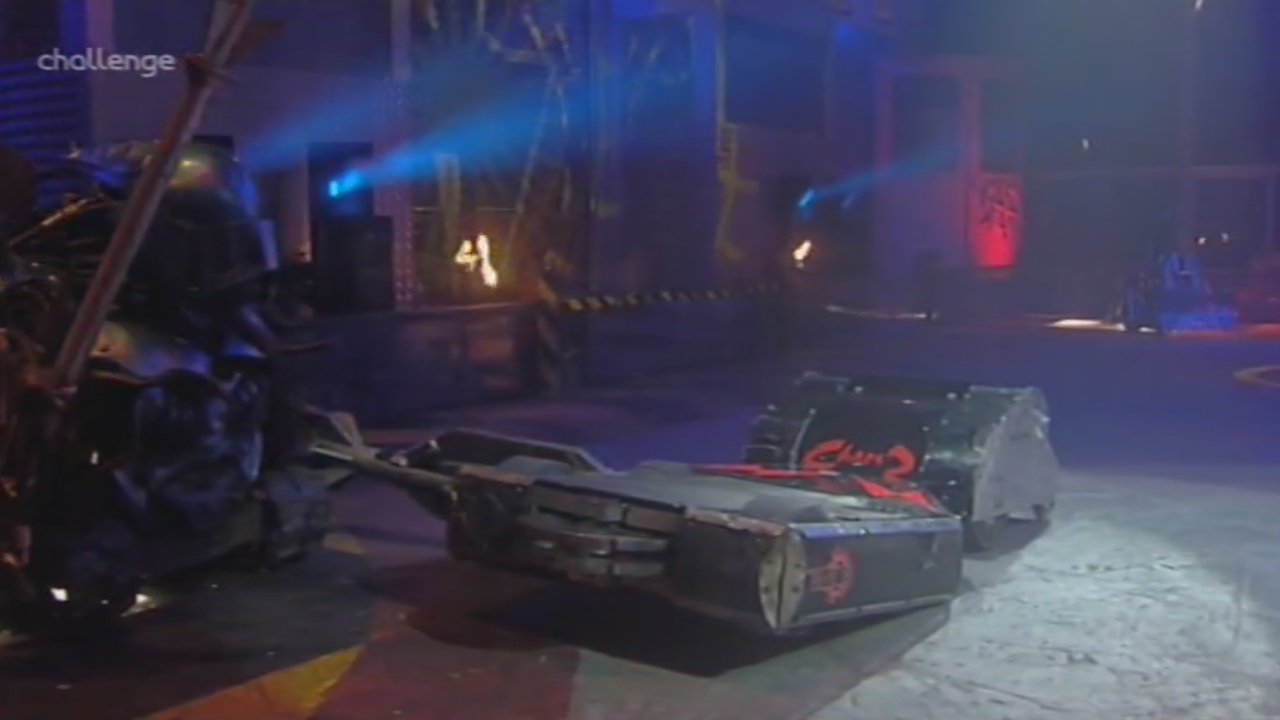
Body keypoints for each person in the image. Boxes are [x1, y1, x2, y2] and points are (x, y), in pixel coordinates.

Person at [914, 249, 942, 321]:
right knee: (929, 299)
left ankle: (929, 314)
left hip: (931, 290)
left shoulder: (932, 274)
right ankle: (929, 314)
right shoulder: (928, 274)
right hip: (929, 290)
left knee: (930, 298)